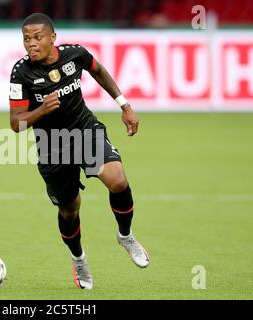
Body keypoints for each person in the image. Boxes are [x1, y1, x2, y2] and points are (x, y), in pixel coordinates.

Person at [9, 13, 149, 290]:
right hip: (52, 147)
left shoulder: (75, 55)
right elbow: (16, 123)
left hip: (85, 131)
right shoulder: (21, 72)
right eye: (26, 39)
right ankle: (79, 258)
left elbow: (98, 71)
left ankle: (126, 236)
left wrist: (124, 104)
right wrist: (41, 110)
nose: (31, 44)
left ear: (53, 38)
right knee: (70, 210)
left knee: (118, 180)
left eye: (37, 37)